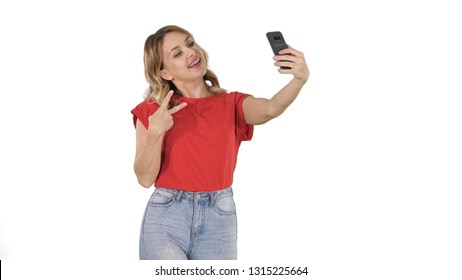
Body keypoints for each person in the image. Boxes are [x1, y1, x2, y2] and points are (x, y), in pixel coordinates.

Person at [131, 25, 309, 260]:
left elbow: (271, 108)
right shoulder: (153, 112)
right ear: (165, 74)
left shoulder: (232, 104)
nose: (191, 52)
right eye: (178, 53)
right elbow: (144, 178)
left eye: (190, 43)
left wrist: (299, 79)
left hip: (219, 216)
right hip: (167, 217)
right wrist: (156, 132)